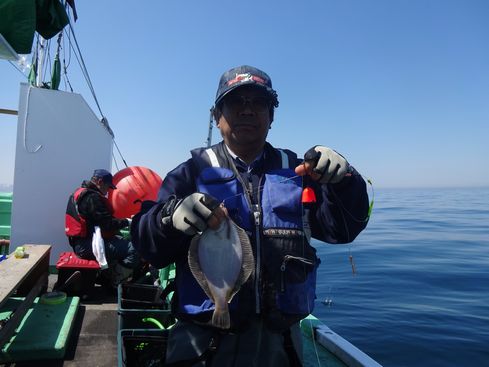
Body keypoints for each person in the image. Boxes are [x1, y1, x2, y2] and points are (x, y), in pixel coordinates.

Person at [132, 65, 370, 366]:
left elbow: (343, 230)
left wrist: (345, 181)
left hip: (280, 343)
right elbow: (147, 247)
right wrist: (168, 217)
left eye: (258, 103)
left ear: (271, 117)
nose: (247, 111)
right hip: (201, 344)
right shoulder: (189, 174)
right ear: (217, 117)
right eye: (235, 102)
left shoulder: (300, 171)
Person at [65, 169, 140, 288]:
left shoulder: (80, 193)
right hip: (86, 246)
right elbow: (107, 224)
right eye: (108, 187)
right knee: (134, 249)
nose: (107, 191)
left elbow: (100, 220)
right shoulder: (92, 198)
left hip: (79, 243)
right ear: (100, 182)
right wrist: (128, 221)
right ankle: (116, 283)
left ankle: (105, 276)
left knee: (119, 241)